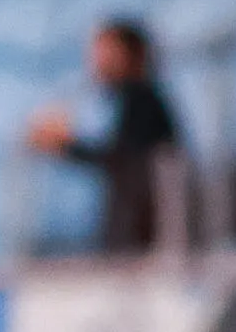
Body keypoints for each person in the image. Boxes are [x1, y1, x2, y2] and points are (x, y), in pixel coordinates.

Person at [25, 18, 185, 256]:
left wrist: (65, 145)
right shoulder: (138, 98)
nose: (96, 61)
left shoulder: (142, 99)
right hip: (134, 235)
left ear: (131, 55)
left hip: (144, 243)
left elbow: (123, 161)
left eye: (106, 51)